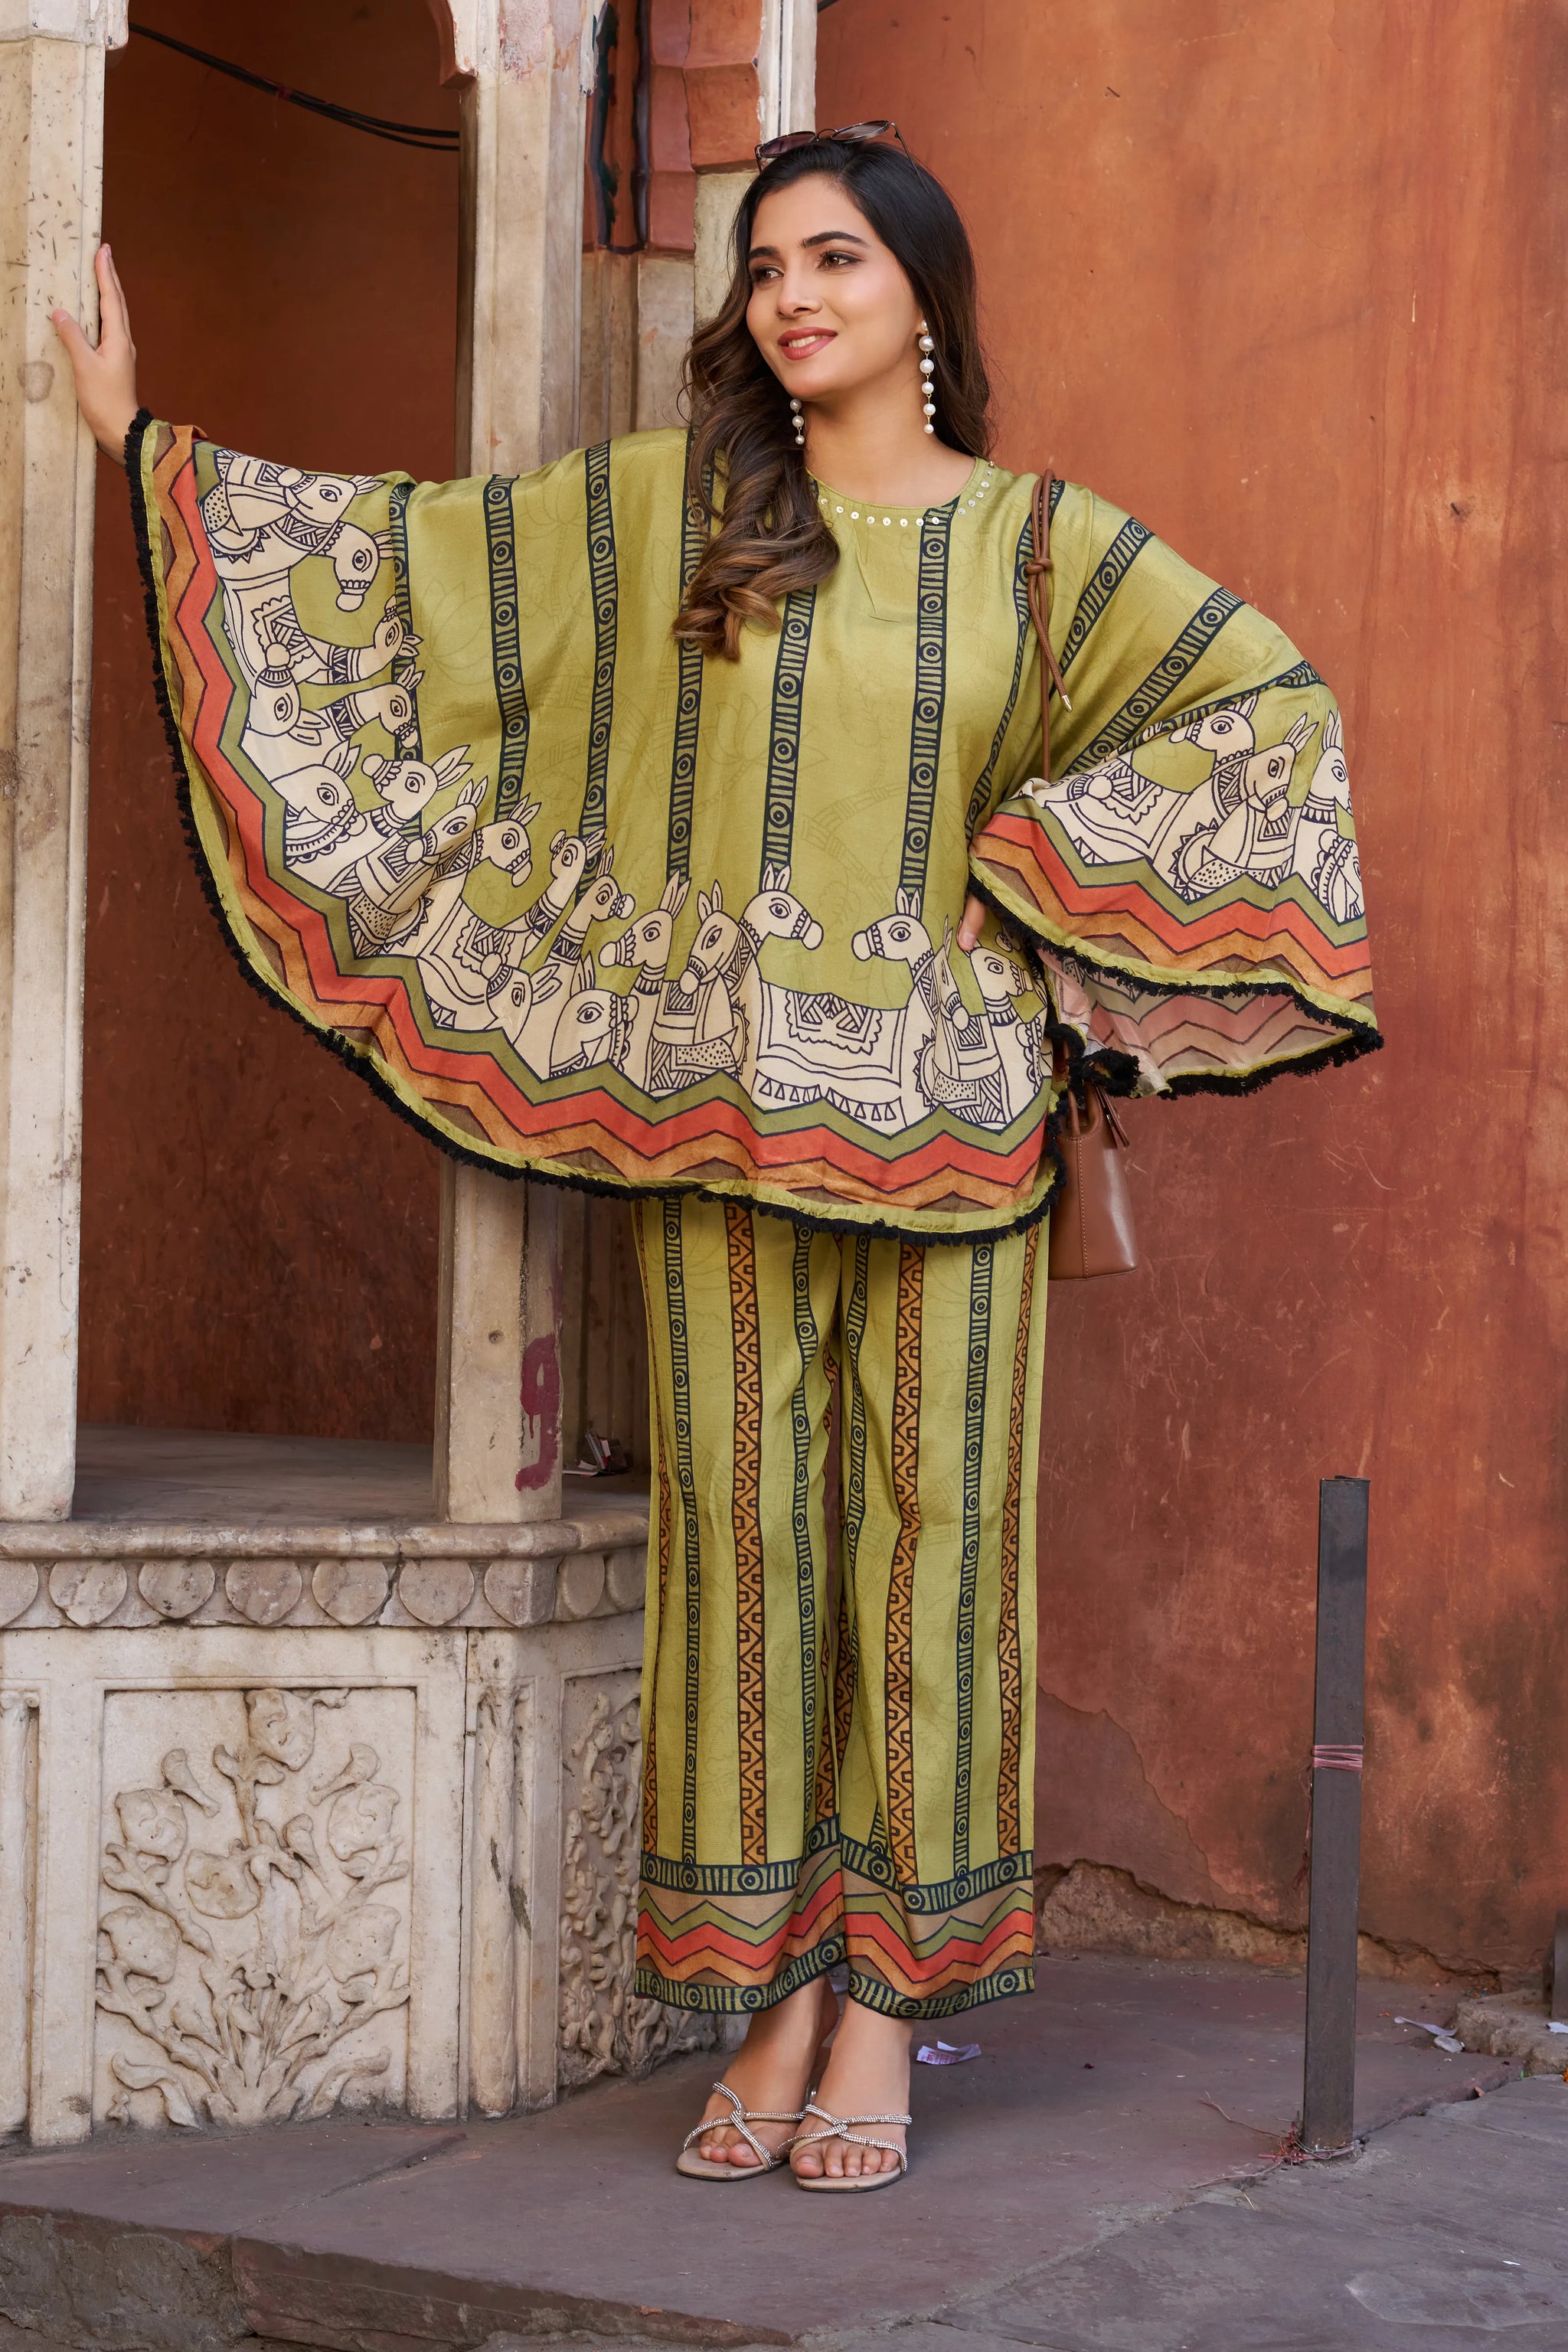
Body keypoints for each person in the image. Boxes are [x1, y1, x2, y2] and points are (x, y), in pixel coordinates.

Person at [55, 125, 1377, 2191]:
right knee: (742, 1555)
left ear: (922, 293)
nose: (792, 299)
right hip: (715, 1116)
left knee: (939, 1553)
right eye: (766, 268)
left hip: (957, 1138)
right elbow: (414, 579)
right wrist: (145, 450)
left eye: (834, 259)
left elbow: (1263, 706)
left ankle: (889, 2007)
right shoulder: (677, 523)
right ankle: (768, 1991)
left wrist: (1025, 890)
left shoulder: (1042, 549)